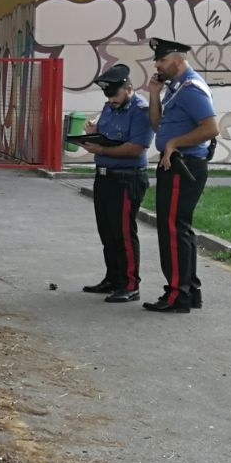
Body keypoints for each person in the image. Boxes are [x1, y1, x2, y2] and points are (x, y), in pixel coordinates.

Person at [144, 37, 220, 314]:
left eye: (162, 60)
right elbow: (158, 126)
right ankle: (190, 290)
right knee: (177, 228)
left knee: (173, 230)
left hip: (183, 166)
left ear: (178, 60)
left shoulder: (190, 89)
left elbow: (211, 128)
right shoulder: (175, 88)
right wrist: (154, 94)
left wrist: (174, 143)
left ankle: (178, 295)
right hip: (176, 165)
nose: (157, 65)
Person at [77, 64, 155, 304]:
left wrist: (100, 150)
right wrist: (94, 132)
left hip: (126, 178)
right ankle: (113, 278)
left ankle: (130, 284)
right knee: (108, 232)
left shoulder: (140, 111)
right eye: (108, 96)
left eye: (115, 95)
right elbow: (108, 136)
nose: (111, 100)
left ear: (129, 89)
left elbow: (136, 148)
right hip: (104, 176)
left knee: (123, 233)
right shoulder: (109, 106)